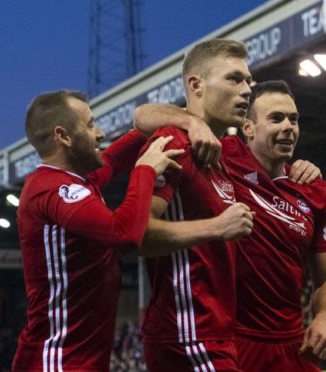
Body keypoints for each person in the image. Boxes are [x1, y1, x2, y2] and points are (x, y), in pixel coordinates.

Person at [134, 79, 326, 371]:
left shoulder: (314, 191)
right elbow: (142, 116)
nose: (289, 126)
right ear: (248, 128)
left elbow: (323, 278)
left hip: (293, 345)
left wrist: (324, 314)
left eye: (294, 119)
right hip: (232, 341)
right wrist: (192, 122)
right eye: (276, 118)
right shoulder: (222, 157)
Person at [12, 90, 184, 371]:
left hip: (81, 361)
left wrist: (183, 121)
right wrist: (145, 170)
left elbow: (118, 156)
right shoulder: (52, 189)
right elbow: (124, 235)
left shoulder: (78, 180)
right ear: (64, 136)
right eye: (90, 124)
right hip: (57, 362)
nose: (100, 133)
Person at [134, 39, 256, 371]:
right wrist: (218, 227)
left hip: (217, 332)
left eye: (249, 81)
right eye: (234, 79)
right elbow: (138, 235)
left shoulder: (219, 153)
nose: (247, 90)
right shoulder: (174, 142)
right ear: (196, 85)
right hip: (188, 335)